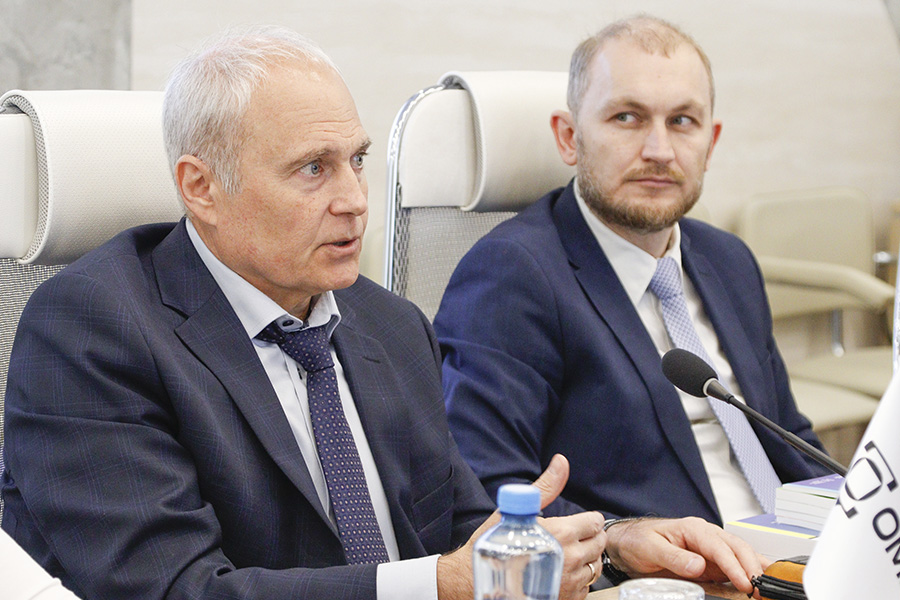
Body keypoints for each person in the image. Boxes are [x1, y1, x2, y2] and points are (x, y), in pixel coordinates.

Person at [3, 25, 764, 600]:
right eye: (312, 169)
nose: (354, 200)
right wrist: (440, 584)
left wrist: (616, 545)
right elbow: (175, 590)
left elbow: (467, 529)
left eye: (357, 160)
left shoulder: (387, 325)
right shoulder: (92, 329)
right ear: (201, 187)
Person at [436, 15, 831, 530]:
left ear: (710, 144)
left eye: (682, 121)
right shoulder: (512, 275)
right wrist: (617, 539)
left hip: (796, 553)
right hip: (669, 566)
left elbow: (788, 436)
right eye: (627, 117)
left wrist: (856, 517)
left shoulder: (729, 260)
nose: (659, 151)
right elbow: (485, 488)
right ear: (569, 137)